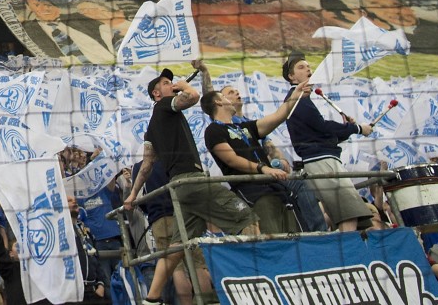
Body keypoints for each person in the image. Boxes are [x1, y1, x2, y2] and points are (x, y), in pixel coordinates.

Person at [123, 67, 257, 305]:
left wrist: (133, 194)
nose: (170, 84)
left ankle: (151, 299)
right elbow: (194, 97)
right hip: (192, 181)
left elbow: (146, 165)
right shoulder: (165, 106)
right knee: (247, 216)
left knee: (176, 246)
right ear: (156, 93)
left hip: (180, 187)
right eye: (166, 83)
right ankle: (251, 281)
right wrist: (183, 85)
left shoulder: (153, 125)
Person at [201, 80, 313, 234]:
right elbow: (231, 159)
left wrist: (296, 94)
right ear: (218, 101)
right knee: (274, 239)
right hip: (253, 191)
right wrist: (263, 168)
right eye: (226, 96)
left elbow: (278, 116)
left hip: (277, 189)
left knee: (297, 235)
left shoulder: (244, 126)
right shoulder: (213, 130)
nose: (232, 99)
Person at [282, 53, 375, 231]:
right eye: (301, 67)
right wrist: (357, 129)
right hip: (322, 163)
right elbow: (322, 126)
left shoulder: (302, 98)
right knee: (349, 216)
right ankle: (348, 255)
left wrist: (345, 131)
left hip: (323, 160)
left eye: (308, 66)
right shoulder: (297, 99)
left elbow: (319, 133)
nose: (308, 69)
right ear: (291, 76)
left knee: (349, 217)